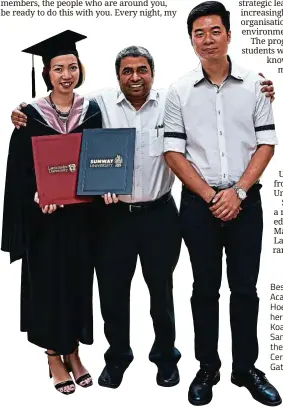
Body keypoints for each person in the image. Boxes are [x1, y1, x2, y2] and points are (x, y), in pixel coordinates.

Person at [11, 45, 275, 391]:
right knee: (113, 292)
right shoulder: (98, 104)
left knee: (162, 293)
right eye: (127, 71)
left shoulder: (174, 101)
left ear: (152, 72)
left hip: (160, 213)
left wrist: (260, 87)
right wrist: (22, 110)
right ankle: (117, 357)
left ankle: (166, 357)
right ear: (117, 75)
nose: (135, 77)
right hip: (113, 217)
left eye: (142, 70)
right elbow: (62, 104)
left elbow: (215, 110)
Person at [163, 2, 281, 406]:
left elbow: (266, 142)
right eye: (199, 32)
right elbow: (173, 153)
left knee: (245, 289)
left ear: (229, 34)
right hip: (200, 205)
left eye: (215, 30)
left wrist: (240, 192)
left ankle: (245, 368)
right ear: (191, 39)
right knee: (203, 289)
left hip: (246, 201)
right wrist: (212, 196)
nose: (207, 39)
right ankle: (207, 366)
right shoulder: (177, 90)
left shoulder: (255, 84)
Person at [2, 30, 102, 395]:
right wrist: (36, 194)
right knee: (47, 284)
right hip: (44, 217)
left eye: (72, 67)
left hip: (80, 218)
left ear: (80, 69)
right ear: (46, 72)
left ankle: (73, 351)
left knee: (77, 280)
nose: (66, 74)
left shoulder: (91, 110)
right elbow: (19, 169)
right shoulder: (30, 115)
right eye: (58, 68)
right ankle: (52, 356)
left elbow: (101, 158)